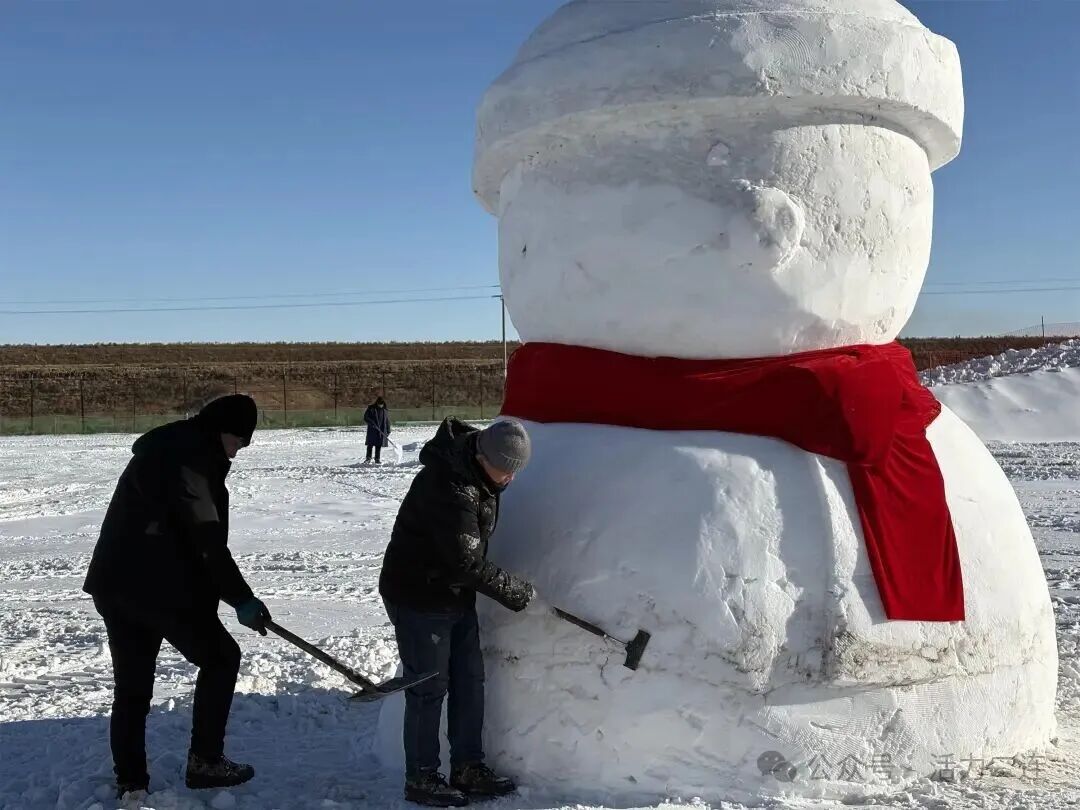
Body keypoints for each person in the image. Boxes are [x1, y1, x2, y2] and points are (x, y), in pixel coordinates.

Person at [82, 394, 273, 799]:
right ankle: (205, 762)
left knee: (132, 688)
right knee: (222, 657)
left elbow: (184, 537)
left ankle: (131, 782)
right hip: (155, 588)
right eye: (241, 441)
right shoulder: (191, 461)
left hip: (117, 583)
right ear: (224, 431)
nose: (239, 452)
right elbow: (205, 540)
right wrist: (241, 598)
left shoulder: (170, 447)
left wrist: (229, 595)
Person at [379, 418, 535, 807]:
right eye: (506, 470)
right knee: (428, 687)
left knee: (469, 680)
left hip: (453, 594)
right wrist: (513, 591)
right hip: (419, 595)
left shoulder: (481, 473)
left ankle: (468, 766)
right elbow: (464, 561)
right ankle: (423, 777)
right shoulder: (448, 485)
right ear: (483, 457)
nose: (510, 479)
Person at [364, 396, 391, 464]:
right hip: (372, 430)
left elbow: (387, 421)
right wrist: (372, 423)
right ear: (377, 403)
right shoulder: (371, 408)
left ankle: (377, 459)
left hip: (381, 430)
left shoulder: (384, 410)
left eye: (382, 403)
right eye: (379, 403)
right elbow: (366, 417)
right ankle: (368, 458)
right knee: (370, 444)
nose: (380, 405)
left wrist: (388, 430)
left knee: (378, 445)